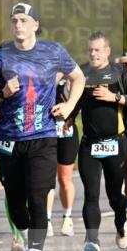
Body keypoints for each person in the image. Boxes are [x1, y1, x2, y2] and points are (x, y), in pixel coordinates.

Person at [0, 2, 84, 251]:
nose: (18, 25)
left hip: (44, 137)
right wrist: (1, 94)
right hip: (8, 142)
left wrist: (69, 106)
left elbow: (78, 78)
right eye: (14, 20)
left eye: (24, 20)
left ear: (36, 24)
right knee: (19, 210)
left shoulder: (53, 52)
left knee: (38, 200)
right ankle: (29, 245)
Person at [74, 32, 127, 251]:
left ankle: (121, 224)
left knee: (115, 195)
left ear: (107, 51)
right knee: (91, 194)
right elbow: (74, 102)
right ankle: (92, 241)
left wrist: (115, 98)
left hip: (115, 142)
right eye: (90, 50)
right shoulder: (81, 73)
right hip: (89, 145)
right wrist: (66, 117)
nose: (93, 54)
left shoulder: (122, 73)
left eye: (97, 50)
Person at [49, 72, 78, 237]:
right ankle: (46, 220)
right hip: (48, 134)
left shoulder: (76, 84)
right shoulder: (49, 82)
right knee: (47, 179)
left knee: (65, 179)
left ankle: (67, 217)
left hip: (68, 133)